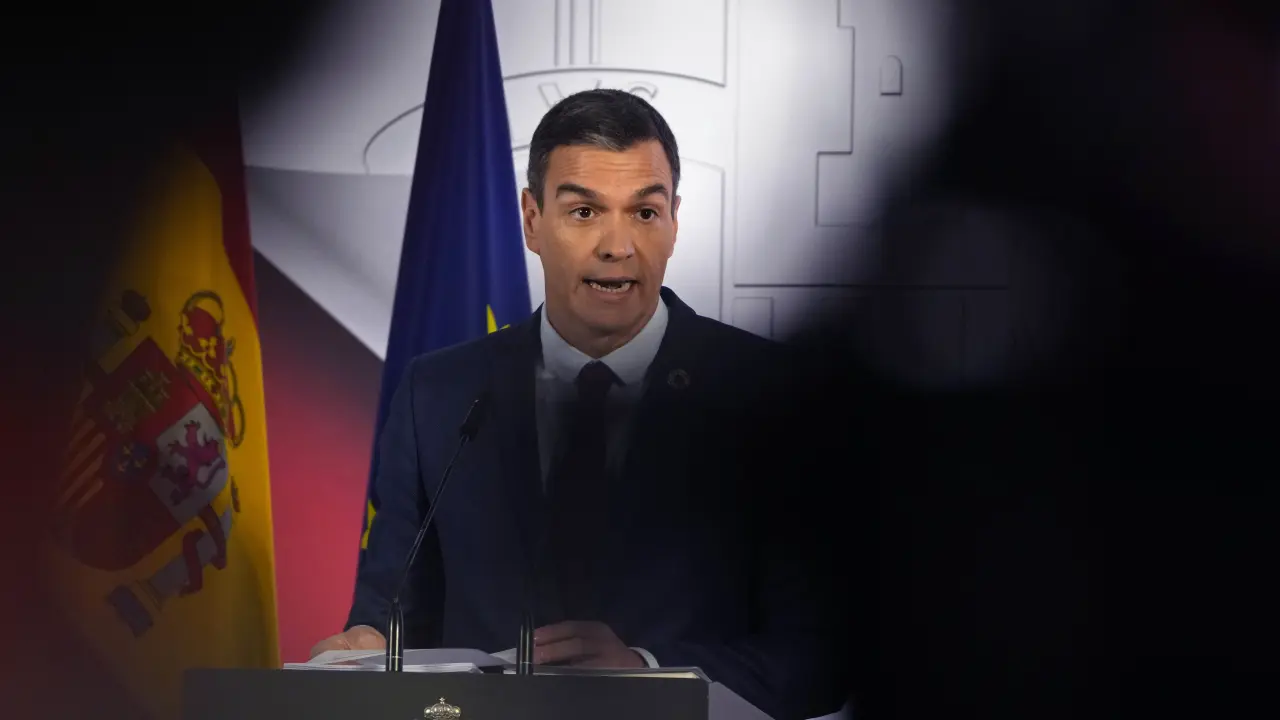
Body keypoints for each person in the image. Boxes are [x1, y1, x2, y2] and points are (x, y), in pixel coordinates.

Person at [310, 89, 847, 720]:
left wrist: (649, 673)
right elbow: (390, 613)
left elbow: (819, 658)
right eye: (585, 212)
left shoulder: (772, 394)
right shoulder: (437, 393)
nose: (617, 245)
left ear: (675, 222)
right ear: (532, 220)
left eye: (644, 212)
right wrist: (366, 648)